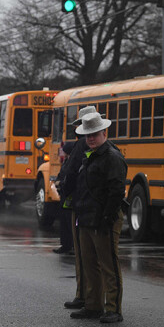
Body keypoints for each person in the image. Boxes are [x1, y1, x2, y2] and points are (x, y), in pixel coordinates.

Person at [69, 112, 127, 324]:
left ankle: (113, 309)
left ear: (104, 132)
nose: (90, 138)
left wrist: (107, 217)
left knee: (108, 265)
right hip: (87, 217)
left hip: (103, 219)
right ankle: (93, 306)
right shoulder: (91, 155)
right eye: (88, 135)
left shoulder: (112, 156)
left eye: (94, 134)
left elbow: (116, 190)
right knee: (90, 264)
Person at [58, 106, 101, 310]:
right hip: (85, 204)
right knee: (87, 256)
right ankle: (86, 296)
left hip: (81, 205)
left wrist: (64, 189)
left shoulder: (81, 146)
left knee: (85, 256)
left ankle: (84, 296)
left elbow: (71, 173)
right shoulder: (88, 146)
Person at [53, 140, 76, 254]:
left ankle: (71, 245)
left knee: (69, 222)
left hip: (70, 196)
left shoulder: (73, 162)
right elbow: (61, 174)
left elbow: (70, 178)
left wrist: (61, 183)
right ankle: (65, 245)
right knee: (64, 221)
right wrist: (57, 181)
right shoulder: (67, 161)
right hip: (64, 195)